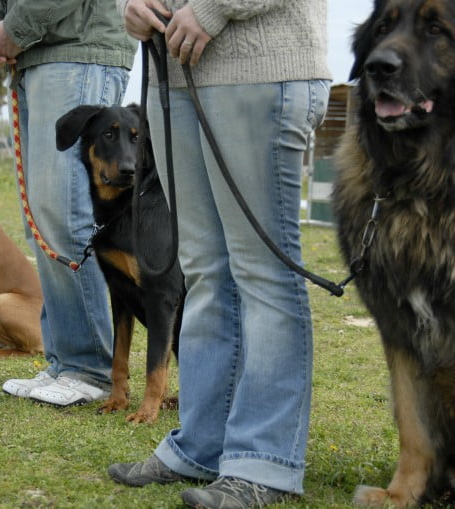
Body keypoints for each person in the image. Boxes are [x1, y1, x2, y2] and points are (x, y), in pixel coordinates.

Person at [106, 0, 331, 507]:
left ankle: (265, 462)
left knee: (263, 273)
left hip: (259, 65)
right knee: (205, 271)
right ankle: (202, 444)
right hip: (174, 76)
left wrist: (211, 8)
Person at [0, 1, 136, 406]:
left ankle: (91, 367)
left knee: (65, 215)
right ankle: (65, 361)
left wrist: (15, 29)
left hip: (77, 49)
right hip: (38, 53)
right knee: (43, 218)